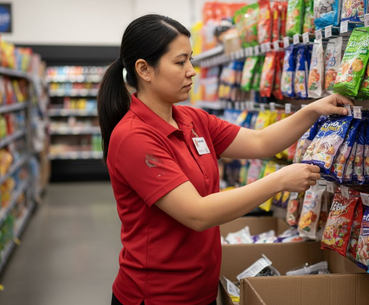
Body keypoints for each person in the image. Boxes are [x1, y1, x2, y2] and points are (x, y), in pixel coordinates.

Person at [97, 14, 353, 305]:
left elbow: (261, 141)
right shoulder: (133, 138)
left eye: (191, 60)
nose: (191, 71)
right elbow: (197, 213)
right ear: (144, 69)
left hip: (201, 289)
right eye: (180, 62)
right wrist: (278, 181)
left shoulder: (191, 119)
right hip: (157, 296)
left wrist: (312, 111)